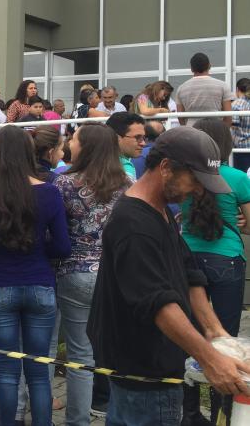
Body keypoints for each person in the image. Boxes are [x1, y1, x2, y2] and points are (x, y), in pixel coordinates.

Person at [87, 127, 250, 425]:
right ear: (165, 168)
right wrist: (210, 360)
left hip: (156, 368)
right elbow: (158, 303)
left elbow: (188, 272)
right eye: (195, 180)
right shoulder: (133, 225)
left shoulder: (159, 210)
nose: (199, 191)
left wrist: (216, 332)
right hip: (145, 373)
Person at [0, 125, 70, 426]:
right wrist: (37, 245)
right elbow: (63, 246)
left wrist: (3, 246)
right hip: (40, 284)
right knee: (39, 372)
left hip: (0, 285)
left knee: (7, 371)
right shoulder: (50, 193)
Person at [53, 124, 131, 426]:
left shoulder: (64, 184)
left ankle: (78, 420)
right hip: (112, 277)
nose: (70, 143)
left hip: (73, 273)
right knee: (112, 352)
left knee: (79, 356)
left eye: (73, 139)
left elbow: (55, 230)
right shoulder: (126, 184)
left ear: (85, 147)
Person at [179, 119, 250, 424]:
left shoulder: (184, 176)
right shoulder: (236, 178)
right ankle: (225, 410)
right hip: (227, 262)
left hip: (188, 259)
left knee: (187, 337)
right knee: (226, 339)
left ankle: (190, 413)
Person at [174, 53, 233, 127]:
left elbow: (180, 117)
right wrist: (223, 131)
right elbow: (228, 116)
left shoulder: (181, 88)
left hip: (191, 131)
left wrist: (188, 128)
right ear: (209, 66)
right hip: (216, 130)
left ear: (192, 69)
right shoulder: (222, 86)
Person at [105, 113, 146, 180]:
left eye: (143, 138)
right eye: (137, 137)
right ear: (116, 138)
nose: (143, 143)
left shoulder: (94, 161)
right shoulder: (125, 169)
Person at [230, 77, 250, 173]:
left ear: (237, 90)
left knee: (242, 177)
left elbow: (233, 125)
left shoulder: (236, 104)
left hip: (241, 148)